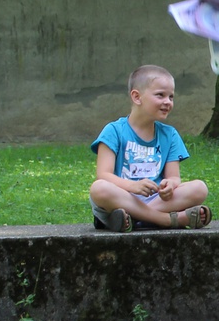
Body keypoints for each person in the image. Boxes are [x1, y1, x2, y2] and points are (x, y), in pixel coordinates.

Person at [89, 65, 211, 231]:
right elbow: (103, 175)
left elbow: (174, 177)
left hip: (156, 200)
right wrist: (133, 186)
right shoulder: (114, 131)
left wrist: (170, 185)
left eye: (171, 97)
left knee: (199, 188)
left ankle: (132, 219)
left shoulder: (170, 134)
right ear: (137, 97)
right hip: (122, 198)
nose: (167, 102)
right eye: (160, 95)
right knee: (99, 188)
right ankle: (167, 220)